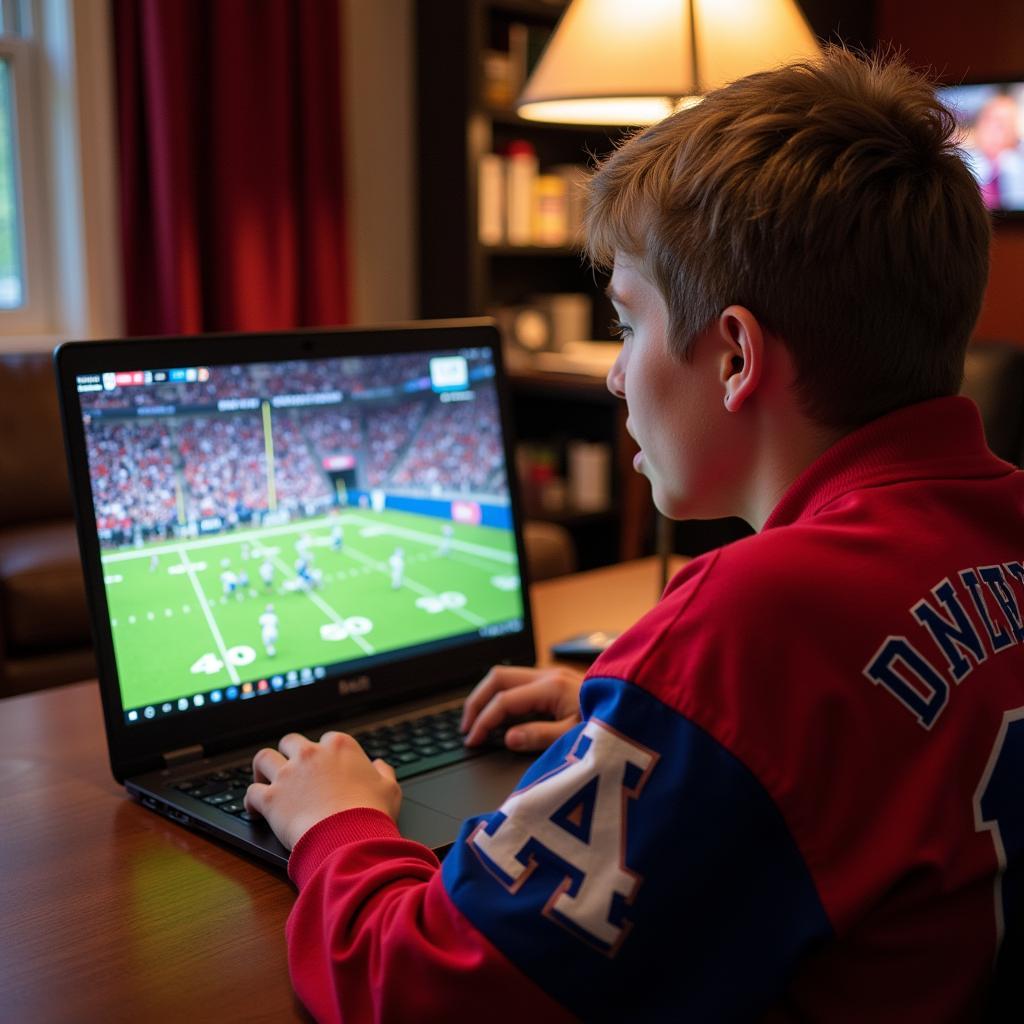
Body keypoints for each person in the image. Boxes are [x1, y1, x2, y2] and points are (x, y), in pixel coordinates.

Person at [243, 49, 1021, 1021]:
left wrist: (337, 821)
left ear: (734, 354)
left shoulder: (754, 621)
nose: (615, 377)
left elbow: (421, 991)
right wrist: (649, 715)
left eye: (625, 324)